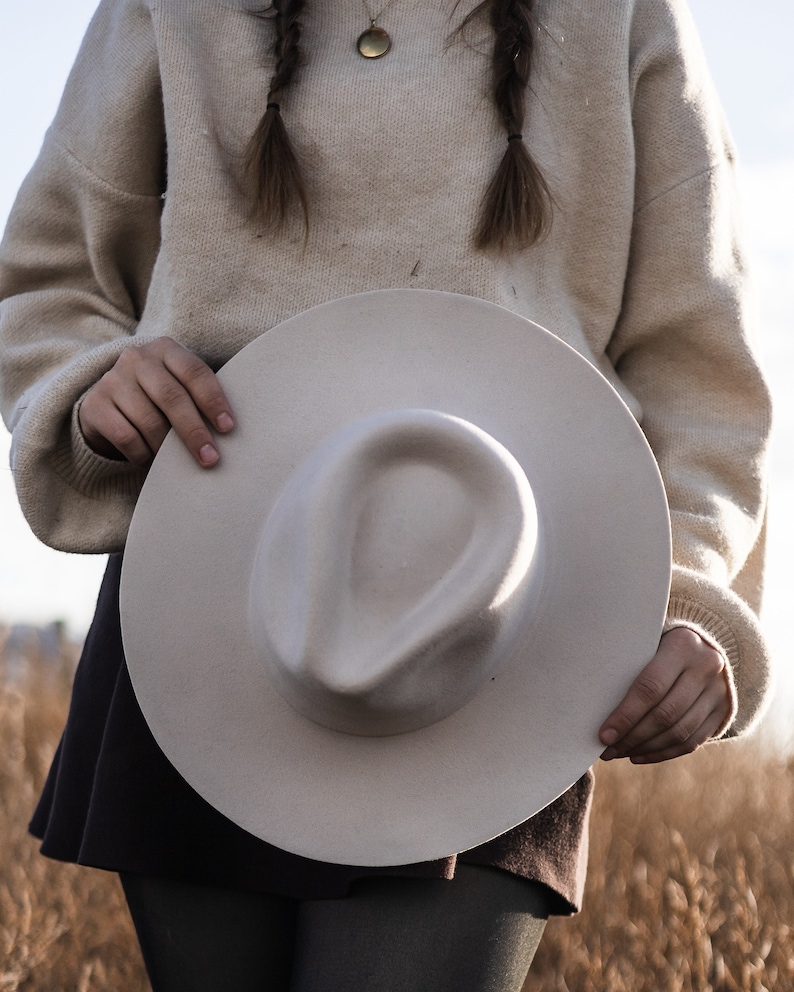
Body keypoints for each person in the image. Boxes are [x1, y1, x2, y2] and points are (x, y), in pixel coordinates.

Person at [0, 0, 771, 988]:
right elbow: (48, 278)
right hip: (205, 601)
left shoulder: (618, 12)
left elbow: (699, 362)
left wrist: (691, 594)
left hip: (507, 631)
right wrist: (90, 380)